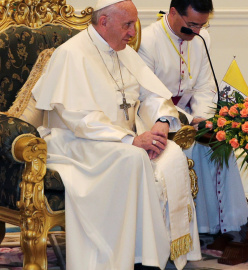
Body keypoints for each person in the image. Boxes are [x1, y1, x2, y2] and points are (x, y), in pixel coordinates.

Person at [31, 0, 201, 269]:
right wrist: (130, 139)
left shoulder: (124, 52)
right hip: (75, 142)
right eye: (127, 25)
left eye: (134, 24)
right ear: (104, 22)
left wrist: (160, 122)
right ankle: (114, 257)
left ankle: (148, 254)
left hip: (120, 140)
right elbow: (78, 118)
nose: (133, 32)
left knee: (172, 153)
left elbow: (152, 94)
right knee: (132, 158)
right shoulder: (71, 54)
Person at [138, 0, 248, 240]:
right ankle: (189, 228)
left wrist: (203, 116)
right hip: (156, 117)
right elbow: (148, 94)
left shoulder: (202, 38)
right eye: (191, 25)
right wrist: (185, 118)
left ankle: (225, 224)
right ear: (173, 12)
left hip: (190, 113)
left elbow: (205, 85)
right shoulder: (147, 40)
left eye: (202, 25)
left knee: (219, 142)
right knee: (189, 146)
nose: (197, 32)